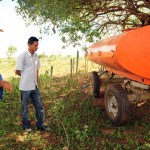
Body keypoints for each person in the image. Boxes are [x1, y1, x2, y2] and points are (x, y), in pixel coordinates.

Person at [15, 36, 49, 132]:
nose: (37, 47)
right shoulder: (22, 56)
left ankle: (40, 125)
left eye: (38, 45)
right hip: (25, 87)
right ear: (29, 45)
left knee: (39, 106)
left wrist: (36, 80)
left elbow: (37, 69)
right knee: (25, 108)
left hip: (34, 86)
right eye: (35, 45)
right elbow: (17, 71)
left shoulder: (36, 56)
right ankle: (26, 126)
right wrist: (25, 77)